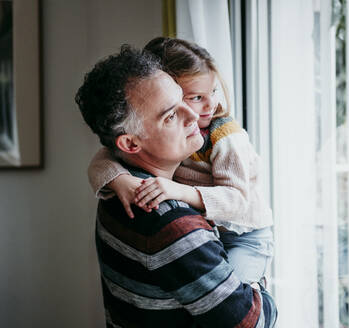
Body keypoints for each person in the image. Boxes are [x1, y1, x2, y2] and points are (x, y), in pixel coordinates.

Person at [75, 45, 277, 327]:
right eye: (170, 115)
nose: (194, 116)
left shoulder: (117, 190)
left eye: (184, 99)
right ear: (131, 143)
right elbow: (250, 321)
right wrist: (259, 287)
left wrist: (118, 179)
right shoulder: (170, 224)